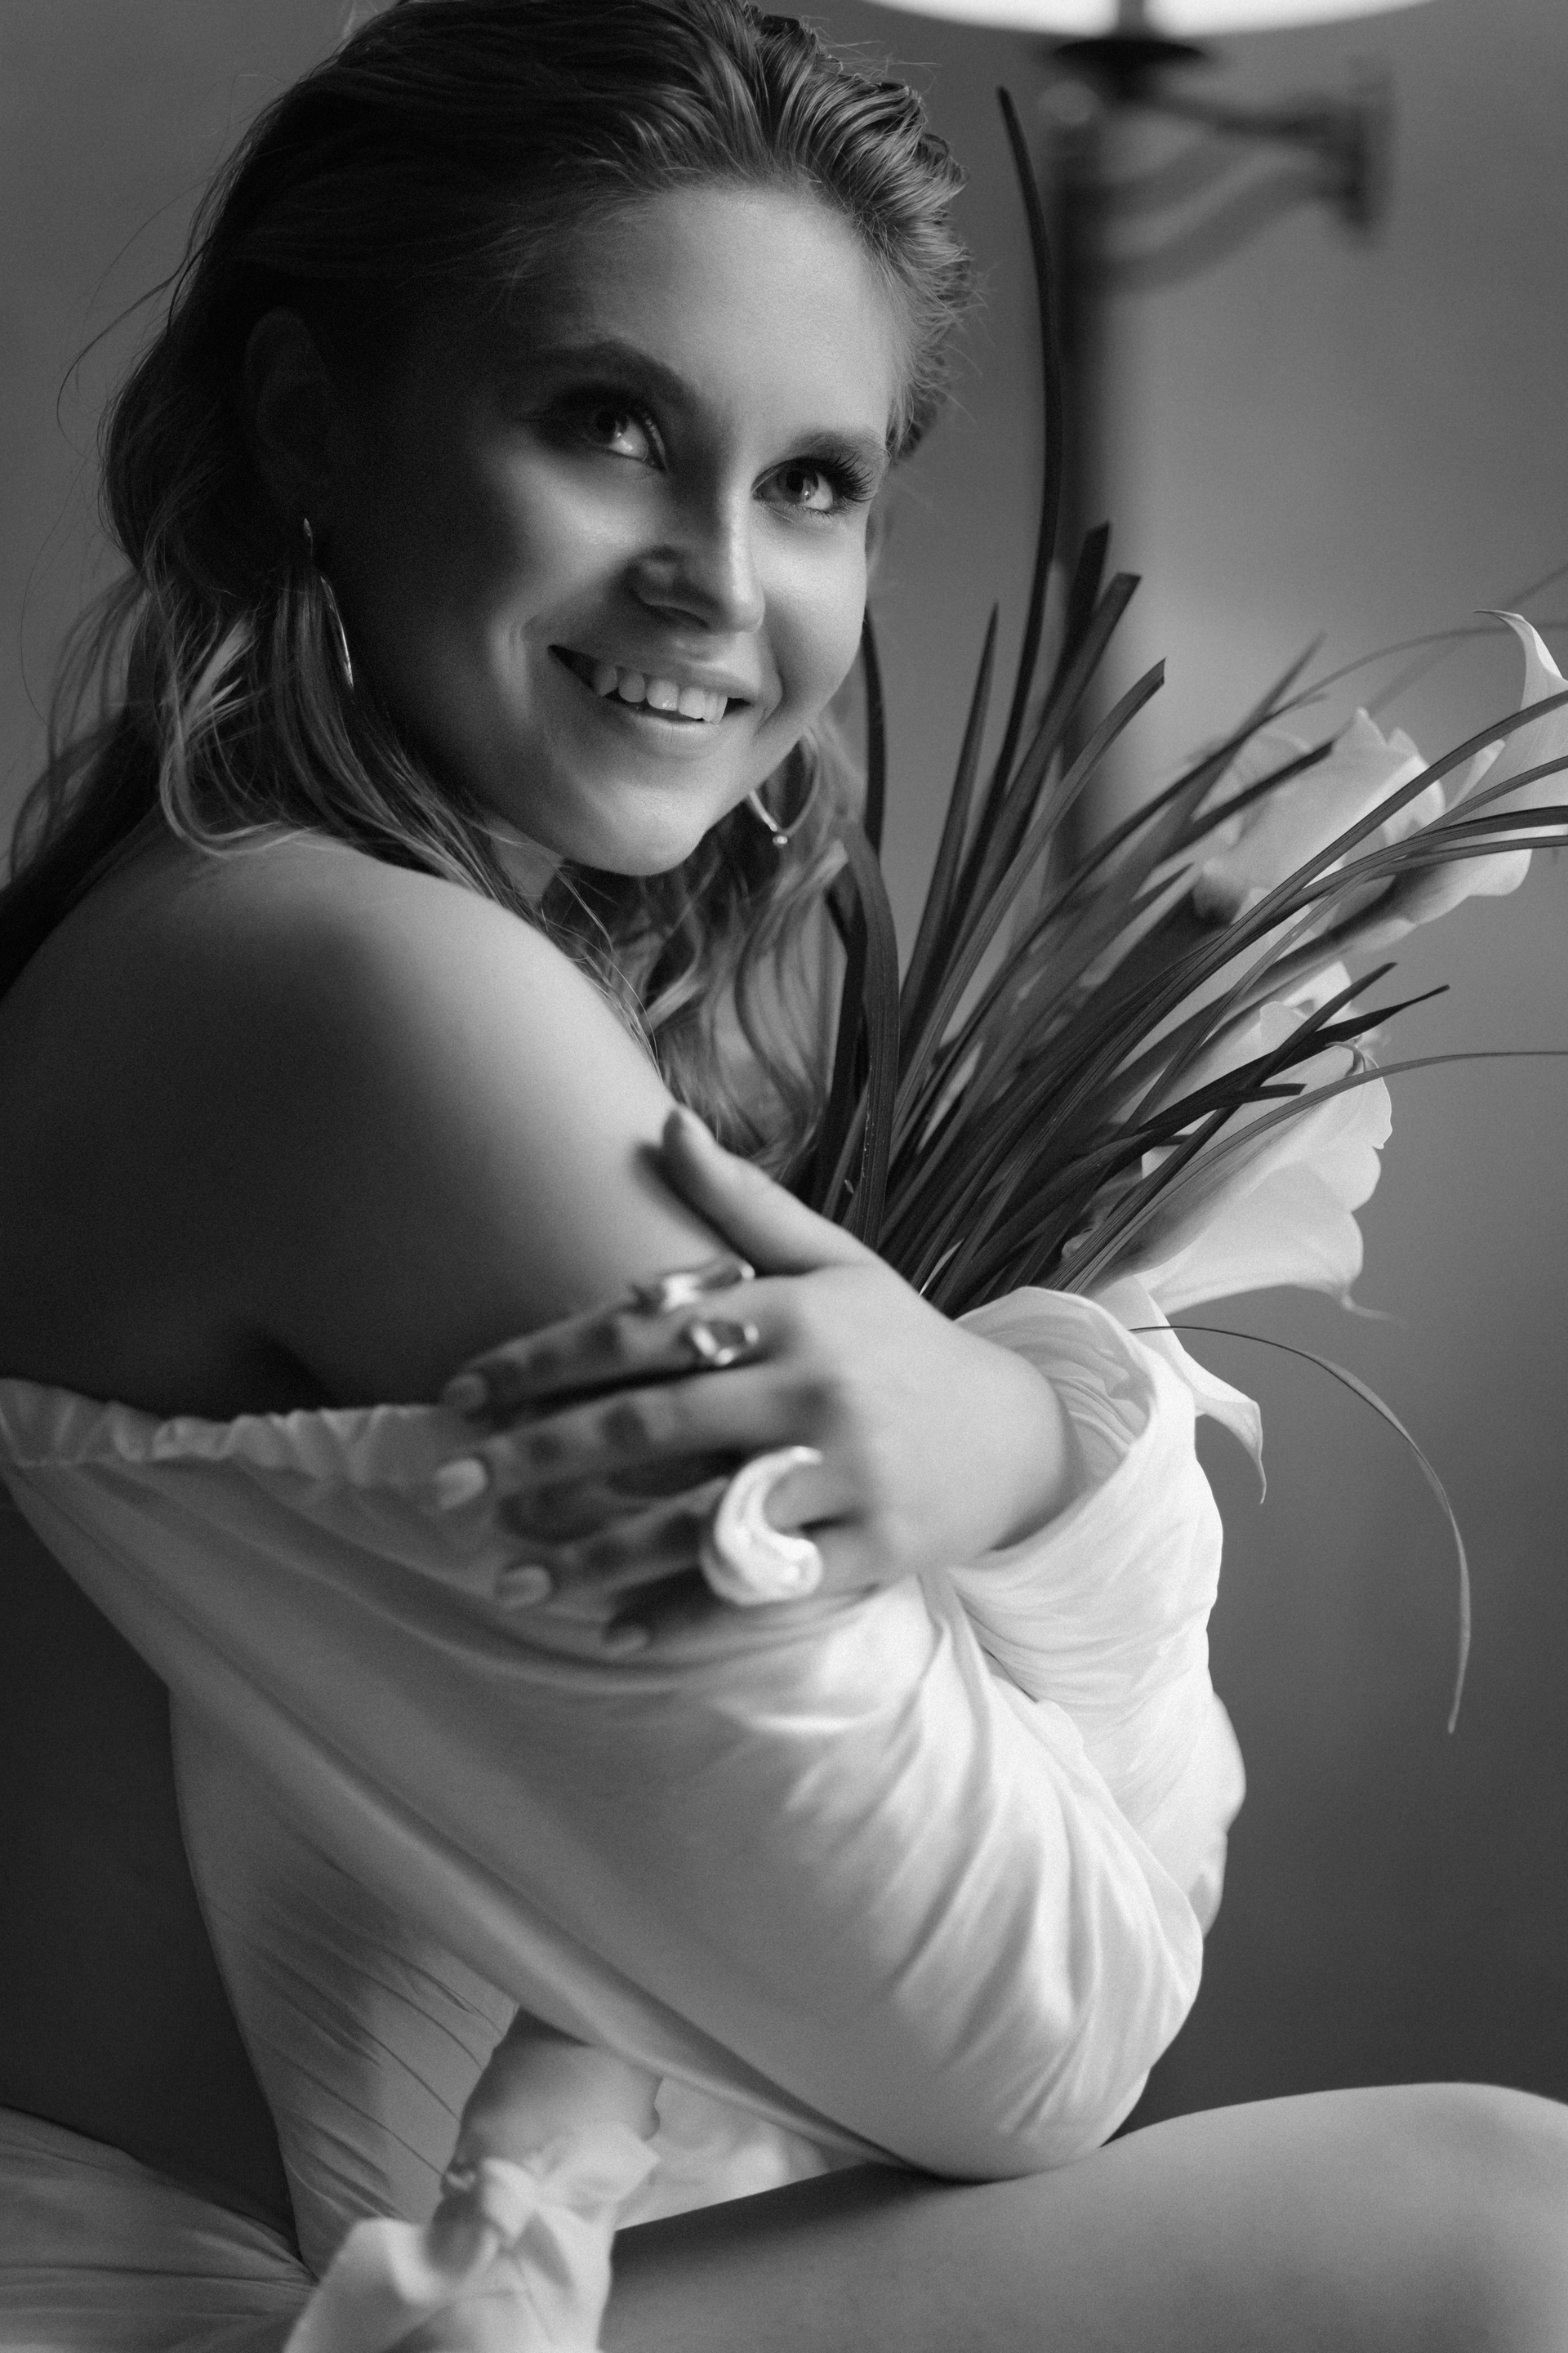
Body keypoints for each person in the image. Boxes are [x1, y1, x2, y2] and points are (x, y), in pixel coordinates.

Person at [0, 1, 1565, 2346]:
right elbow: (1042, 2024)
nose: (719, 582)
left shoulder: (219, 928)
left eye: (814, 481)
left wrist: (1012, 1375)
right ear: (312, 420)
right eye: (607, 423)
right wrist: (1042, 1430)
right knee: (1506, 2229)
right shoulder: (355, 990)